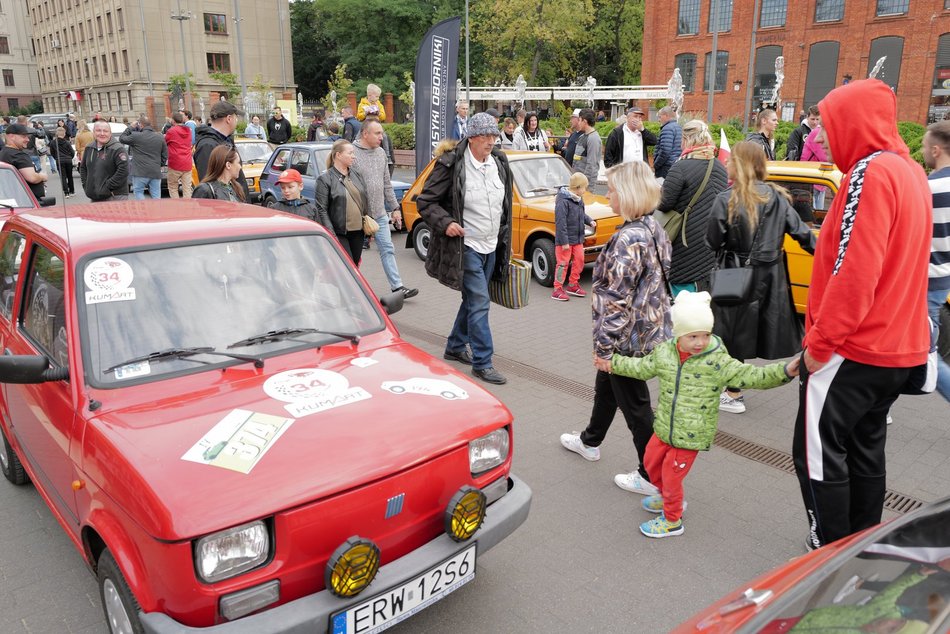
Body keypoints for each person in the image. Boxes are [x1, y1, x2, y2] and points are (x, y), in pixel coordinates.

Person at [794, 79, 932, 551]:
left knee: (817, 452)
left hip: (854, 347)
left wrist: (819, 345)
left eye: (830, 126)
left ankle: (829, 558)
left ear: (854, 123)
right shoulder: (911, 171)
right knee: (866, 448)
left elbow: (855, 269)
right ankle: (861, 546)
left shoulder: (868, 173)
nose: (824, 138)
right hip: (896, 348)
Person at [608, 290, 798, 537]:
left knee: (671, 476)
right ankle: (668, 498)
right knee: (650, 462)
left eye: (705, 335)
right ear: (678, 334)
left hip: (691, 435)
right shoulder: (666, 352)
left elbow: (751, 375)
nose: (700, 342)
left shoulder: (716, 360)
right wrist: (613, 363)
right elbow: (642, 367)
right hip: (665, 426)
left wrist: (785, 371)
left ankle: (672, 520)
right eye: (693, 336)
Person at [559, 161, 671, 497]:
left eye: (612, 189)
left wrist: (604, 349)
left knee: (635, 406)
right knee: (606, 389)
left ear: (627, 194)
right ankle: (590, 440)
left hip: (627, 338)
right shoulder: (654, 227)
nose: (608, 194)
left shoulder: (628, 238)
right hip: (649, 327)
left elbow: (615, 301)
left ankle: (652, 475)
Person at [706, 141, 815, 414]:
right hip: (770, 276)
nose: (727, 163)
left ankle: (733, 392)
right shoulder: (777, 197)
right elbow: (803, 235)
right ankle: (733, 389)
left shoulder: (726, 199)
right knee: (748, 331)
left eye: (731, 160)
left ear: (739, 165)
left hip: (734, 272)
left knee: (730, 331)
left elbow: (712, 240)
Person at [416, 112, 513, 385]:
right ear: (471, 138)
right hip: (466, 246)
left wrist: (507, 244)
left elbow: (505, 208)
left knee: (472, 300)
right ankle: (483, 362)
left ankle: (456, 346)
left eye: (494, 135)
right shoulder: (450, 164)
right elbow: (426, 202)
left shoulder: (500, 163)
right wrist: (446, 223)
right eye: (485, 136)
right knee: (480, 302)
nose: (491, 141)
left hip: (491, 245)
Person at [656, 119, 729, 294]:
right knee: (704, 288)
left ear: (687, 139)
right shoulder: (719, 166)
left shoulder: (681, 166)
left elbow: (665, 203)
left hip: (686, 238)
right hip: (712, 236)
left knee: (683, 287)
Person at [352, 119, 418, 299]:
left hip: (380, 214)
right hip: (358, 215)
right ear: (365, 134)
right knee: (353, 255)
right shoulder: (352, 153)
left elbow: (386, 184)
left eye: (382, 133)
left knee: (388, 249)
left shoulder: (381, 153)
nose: (382, 137)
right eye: (377, 133)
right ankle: (351, 289)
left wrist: (395, 208)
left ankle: (397, 287)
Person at [921, 121, 950, 402]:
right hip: (944, 278)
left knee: (925, 349)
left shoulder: (929, 187)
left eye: (925, 146)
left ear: (937, 149)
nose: (922, 150)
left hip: (925, 279)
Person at [315, 140, 370, 265]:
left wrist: (368, 223)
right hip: (339, 233)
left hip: (358, 232)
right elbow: (321, 209)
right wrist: (331, 235)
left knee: (355, 265)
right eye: (350, 153)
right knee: (347, 266)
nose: (353, 156)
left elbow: (364, 199)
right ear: (338, 155)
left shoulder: (357, 174)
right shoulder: (324, 179)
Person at [551, 172, 595, 301]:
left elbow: (581, 215)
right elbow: (560, 222)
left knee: (580, 260)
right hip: (564, 241)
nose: (585, 190)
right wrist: (564, 241)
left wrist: (589, 220)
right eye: (584, 188)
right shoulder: (563, 201)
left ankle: (572, 284)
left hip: (577, 239)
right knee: (562, 264)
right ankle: (557, 289)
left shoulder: (578, 199)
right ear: (577, 188)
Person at [193, 101, 249, 198]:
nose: (237, 121)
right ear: (229, 119)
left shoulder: (225, 140)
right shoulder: (207, 145)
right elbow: (209, 186)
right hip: (224, 207)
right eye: (236, 117)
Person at [79, 121, 129, 201]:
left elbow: (124, 171)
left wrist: (107, 186)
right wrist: (86, 185)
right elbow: (83, 168)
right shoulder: (89, 148)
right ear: (93, 132)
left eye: (105, 131)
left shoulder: (118, 149)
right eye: (98, 130)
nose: (102, 133)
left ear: (110, 133)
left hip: (115, 196)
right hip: (95, 197)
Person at [120, 116, 168, 200]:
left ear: (140, 125)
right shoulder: (160, 137)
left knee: (138, 192)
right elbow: (165, 154)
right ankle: (156, 212)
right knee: (156, 196)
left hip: (140, 172)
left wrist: (130, 127)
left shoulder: (136, 136)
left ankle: (144, 212)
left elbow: (122, 138)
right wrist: (159, 164)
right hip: (155, 171)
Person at [0, 123, 49, 200]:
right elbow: (32, 178)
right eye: (23, 136)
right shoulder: (18, 155)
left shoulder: (5, 152)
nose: (27, 139)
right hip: (27, 202)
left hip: (17, 200)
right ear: (11, 136)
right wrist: (43, 176)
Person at [165, 112, 194, 199]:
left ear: (173, 121)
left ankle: (177, 207)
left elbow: (165, 141)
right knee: (187, 189)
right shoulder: (189, 130)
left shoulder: (171, 131)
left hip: (175, 163)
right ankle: (187, 208)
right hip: (187, 163)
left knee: (173, 187)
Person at [573, 108, 602, 186]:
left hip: (585, 184)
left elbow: (592, 164)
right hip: (578, 181)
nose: (578, 123)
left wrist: (586, 185)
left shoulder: (593, 139)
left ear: (584, 121)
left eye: (579, 120)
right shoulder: (582, 136)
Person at [653, 106, 682, 180]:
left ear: (666, 116)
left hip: (666, 167)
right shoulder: (679, 127)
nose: (659, 120)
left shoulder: (667, 128)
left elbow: (665, 150)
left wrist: (656, 164)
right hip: (676, 164)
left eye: (660, 117)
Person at [51, 128, 75, 197]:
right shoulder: (67, 142)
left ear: (57, 134)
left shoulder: (53, 142)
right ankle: (72, 191)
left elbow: (52, 152)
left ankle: (66, 192)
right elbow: (72, 152)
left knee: (63, 177)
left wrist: (56, 158)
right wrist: (70, 157)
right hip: (68, 160)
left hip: (59, 160)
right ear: (64, 134)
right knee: (70, 176)